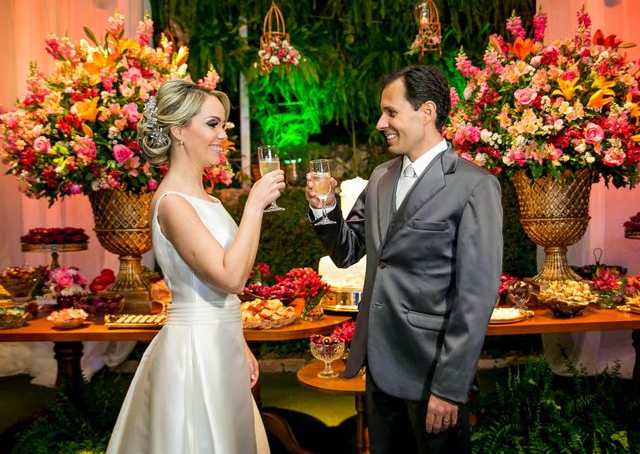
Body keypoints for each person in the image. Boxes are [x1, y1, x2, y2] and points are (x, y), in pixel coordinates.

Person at [306, 65, 503, 453]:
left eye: (390, 112)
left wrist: (449, 387)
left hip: (432, 373)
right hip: (379, 366)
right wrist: (324, 210)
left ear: (426, 112)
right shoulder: (380, 177)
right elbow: (349, 251)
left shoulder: (475, 186)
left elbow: (476, 298)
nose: (381, 123)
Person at [107, 79, 283, 453]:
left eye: (223, 125)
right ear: (178, 131)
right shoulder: (173, 203)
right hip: (195, 353)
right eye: (212, 124)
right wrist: (254, 207)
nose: (223, 135)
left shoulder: (206, 200)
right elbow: (232, 277)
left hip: (222, 345)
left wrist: (240, 343)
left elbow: (222, 293)